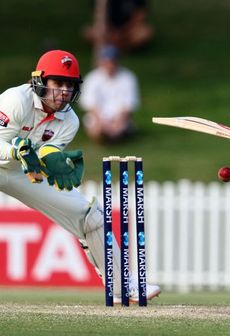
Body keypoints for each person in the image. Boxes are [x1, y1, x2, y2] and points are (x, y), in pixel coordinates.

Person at [0, 49, 160, 303]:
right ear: (39, 81)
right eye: (58, 83)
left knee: (90, 216)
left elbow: (43, 156)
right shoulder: (15, 100)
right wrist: (15, 151)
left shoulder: (70, 121)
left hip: (19, 172)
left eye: (70, 85)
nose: (64, 91)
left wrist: (54, 163)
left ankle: (121, 287)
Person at [79, 44, 140, 144]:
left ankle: (113, 137)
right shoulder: (92, 78)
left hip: (119, 117)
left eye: (112, 62)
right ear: (101, 62)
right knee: (94, 126)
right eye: (106, 62)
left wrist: (118, 121)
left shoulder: (128, 77)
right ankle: (104, 137)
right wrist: (101, 121)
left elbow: (129, 104)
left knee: (121, 127)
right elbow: (89, 104)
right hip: (97, 118)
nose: (110, 65)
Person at [82, 0, 154, 51]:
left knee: (145, 33)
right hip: (109, 30)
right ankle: (116, 48)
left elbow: (140, 14)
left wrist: (124, 30)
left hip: (129, 31)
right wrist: (112, 30)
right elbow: (98, 15)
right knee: (89, 32)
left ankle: (117, 48)